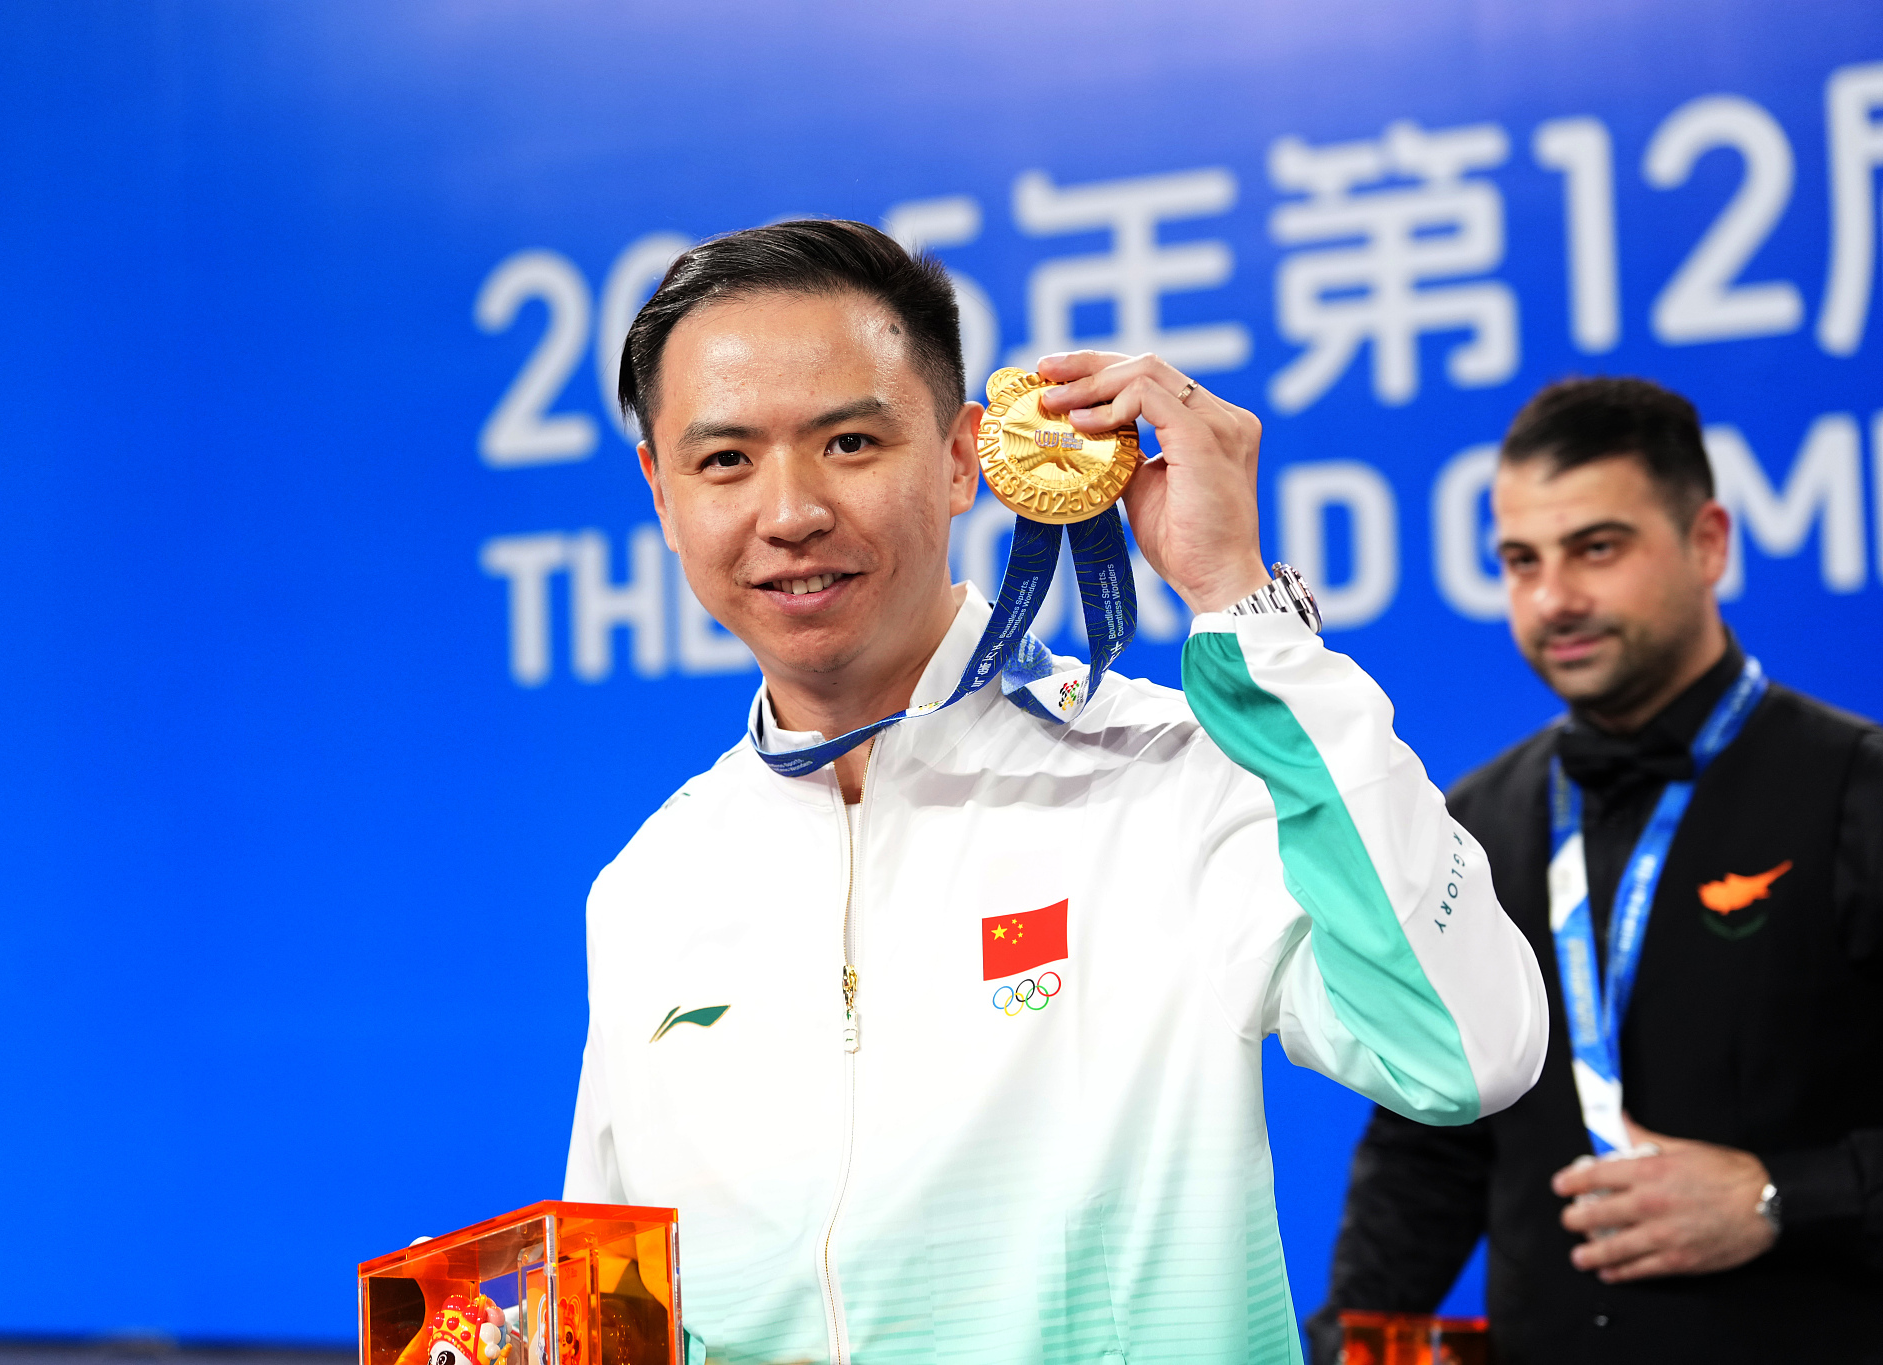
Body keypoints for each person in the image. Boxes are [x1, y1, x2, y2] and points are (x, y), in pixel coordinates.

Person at [562, 218, 1547, 1363]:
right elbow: (618, 1305)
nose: (788, 513)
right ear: (662, 492)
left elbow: (1465, 1051)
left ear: (961, 455)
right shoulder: (653, 883)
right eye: (723, 459)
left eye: (846, 443)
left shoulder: (1172, 778)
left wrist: (1241, 607)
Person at [1308, 377, 1883, 1364]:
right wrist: (1339, 1341)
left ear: (1707, 542)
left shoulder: (1852, 789)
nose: (1552, 600)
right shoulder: (1473, 821)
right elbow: (1426, 1148)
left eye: (1596, 549)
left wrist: (1778, 1196)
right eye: (1518, 562)